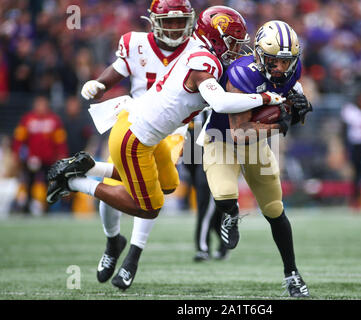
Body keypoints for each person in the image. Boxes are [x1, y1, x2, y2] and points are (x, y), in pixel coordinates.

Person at [46, 6, 285, 290]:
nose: (237, 48)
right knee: (149, 208)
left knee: (169, 184)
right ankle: (75, 182)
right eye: (233, 41)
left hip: (150, 132)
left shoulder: (199, 51)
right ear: (218, 38)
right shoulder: (202, 61)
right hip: (133, 138)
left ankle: (90, 166)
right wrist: (265, 98)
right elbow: (220, 103)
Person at [78, 0, 201, 290]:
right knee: (120, 184)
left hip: (174, 128)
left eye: (179, 21)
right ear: (154, 21)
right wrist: (99, 84)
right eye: (168, 21)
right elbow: (117, 70)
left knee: (152, 186)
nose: (173, 27)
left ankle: (133, 256)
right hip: (134, 122)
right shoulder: (135, 43)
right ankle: (113, 242)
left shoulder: (198, 50)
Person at [201, 20, 313, 297]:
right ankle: (230, 215)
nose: (280, 68)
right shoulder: (242, 73)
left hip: (256, 144)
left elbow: (288, 101)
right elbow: (240, 132)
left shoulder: (291, 70)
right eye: (274, 61)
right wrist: (280, 123)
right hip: (223, 138)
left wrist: (298, 105)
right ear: (260, 54)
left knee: (274, 208)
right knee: (225, 194)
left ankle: (292, 273)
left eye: (286, 62)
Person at [183, 112, 229, 262]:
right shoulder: (192, 107)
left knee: (206, 208)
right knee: (212, 210)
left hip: (213, 159)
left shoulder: (216, 105)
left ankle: (203, 248)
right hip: (196, 161)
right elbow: (190, 139)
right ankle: (224, 244)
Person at [12, 95, 68, 215]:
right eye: (39, 104)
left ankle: (47, 207)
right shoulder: (28, 119)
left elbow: (59, 140)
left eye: (43, 104)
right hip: (32, 159)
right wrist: (16, 153)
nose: (41, 107)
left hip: (49, 158)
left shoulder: (54, 120)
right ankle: (27, 206)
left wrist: (61, 154)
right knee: (29, 182)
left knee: (49, 183)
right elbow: (19, 138)